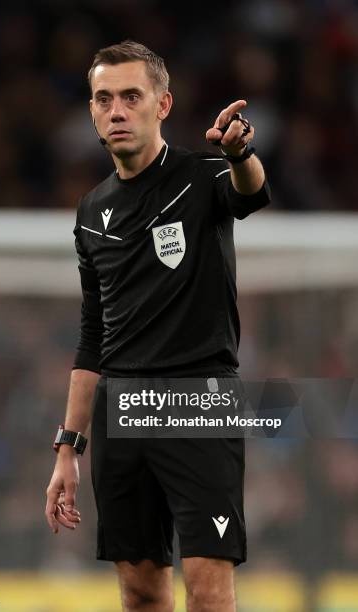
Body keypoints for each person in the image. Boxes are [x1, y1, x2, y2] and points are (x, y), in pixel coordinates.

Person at [45, 40, 271, 612]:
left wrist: (241, 152)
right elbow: (93, 333)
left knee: (208, 588)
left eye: (130, 96)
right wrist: (68, 447)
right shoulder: (91, 210)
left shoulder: (203, 176)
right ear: (92, 112)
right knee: (141, 593)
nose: (116, 110)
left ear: (162, 104)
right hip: (122, 411)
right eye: (103, 99)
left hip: (198, 400)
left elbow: (250, 191)